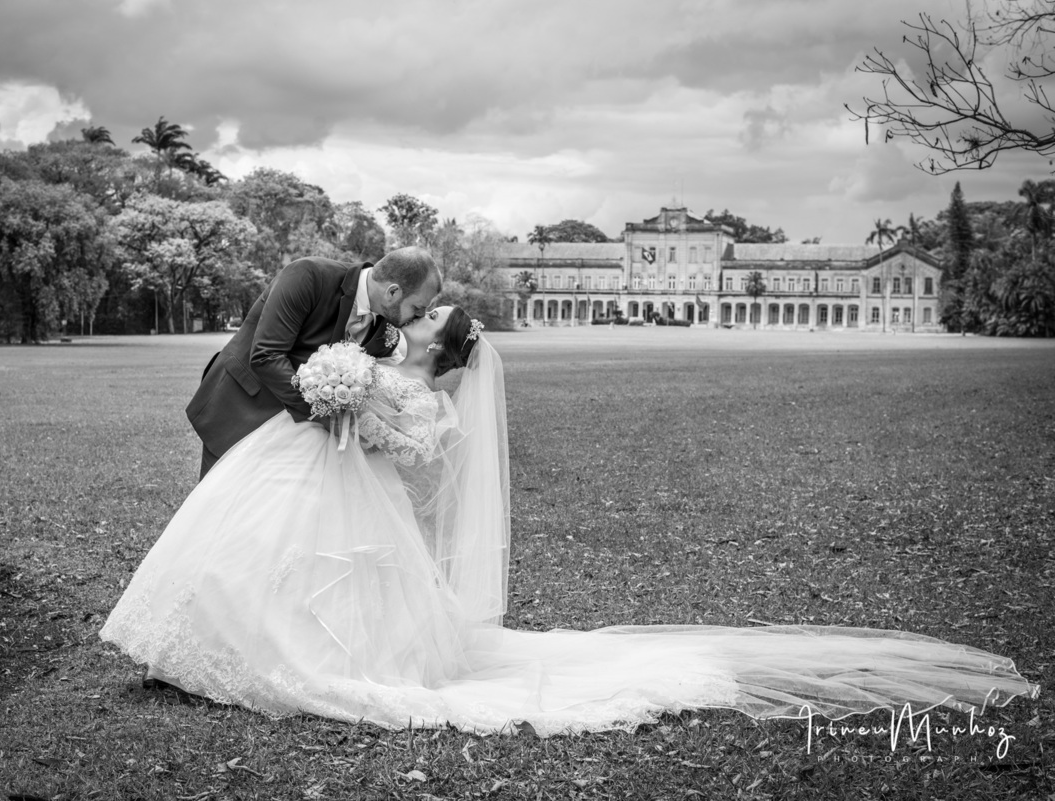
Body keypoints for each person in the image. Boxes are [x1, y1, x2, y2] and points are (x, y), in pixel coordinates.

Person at [102, 307, 1038, 735]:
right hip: (314, 475)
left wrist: (351, 400)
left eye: (432, 317)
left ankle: (279, 657)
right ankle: (218, 645)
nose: (419, 316)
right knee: (263, 558)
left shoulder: (426, 398)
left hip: (341, 482)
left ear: (444, 346)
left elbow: (412, 449)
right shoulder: (386, 359)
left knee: (310, 573)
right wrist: (337, 389)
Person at [186, 246, 442, 479]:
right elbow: (266, 356)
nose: (416, 318)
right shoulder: (308, 275)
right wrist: (328, 416)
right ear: (393, 291)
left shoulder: (386, 325)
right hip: (242, 404)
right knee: (217, 508)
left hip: (290, 433)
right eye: (417, 308)